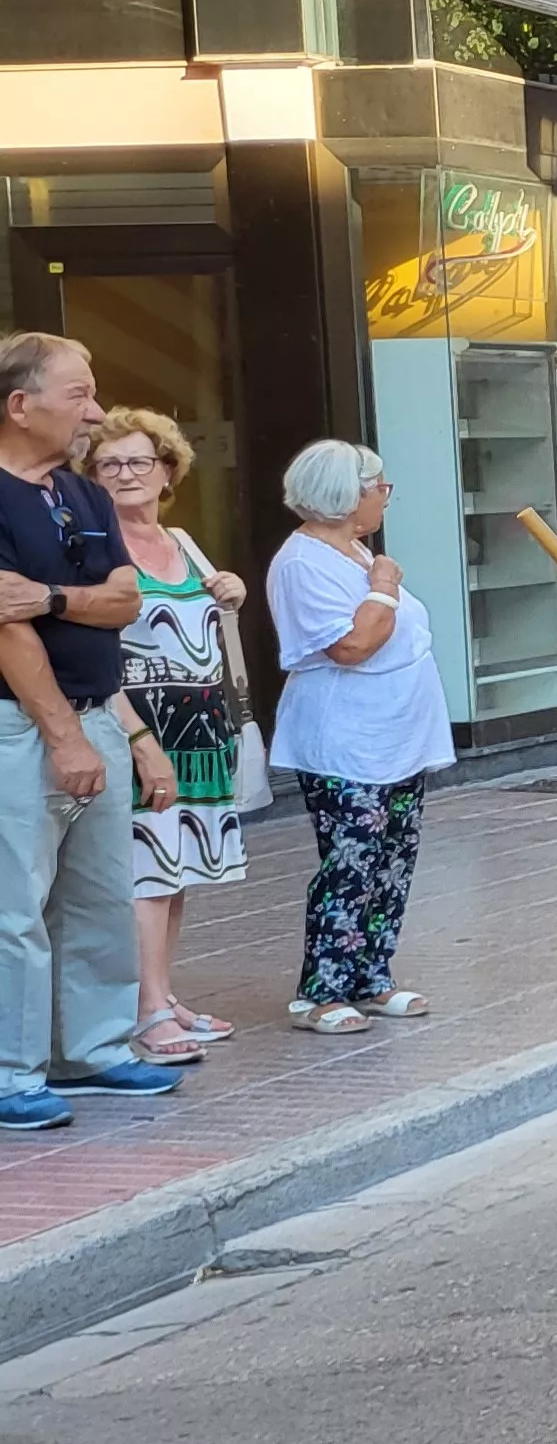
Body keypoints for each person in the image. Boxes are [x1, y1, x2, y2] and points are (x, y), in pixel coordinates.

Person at [0, 332, 177, 1131]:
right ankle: (12, 1073)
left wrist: (51, 598)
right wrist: (63, 736)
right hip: (22, 726)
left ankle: (94, 1049)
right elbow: (5, 631)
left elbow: (124, 599)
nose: (97, 412)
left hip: (100, 712)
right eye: (79, 395)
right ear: (19, 404)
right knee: (15, 906)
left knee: (100, 894)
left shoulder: (83, 494)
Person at [267, 440, 451, 1036]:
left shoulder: (353, 550)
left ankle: (371, 975)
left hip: (396, 738)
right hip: (347, 743)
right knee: (350, 862)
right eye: (379, 487)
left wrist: (377, 579)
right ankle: (321, 991)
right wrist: (382, 586)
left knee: (393, 859)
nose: (385, 497)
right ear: (347, 495)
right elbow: (351, 646)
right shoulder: (304, 562)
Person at [93, 409, 248, 1062]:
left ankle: (162, 993)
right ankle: (146, 1009)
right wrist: (136, 739)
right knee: (146, 874)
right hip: (144, 729)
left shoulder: (183, 541)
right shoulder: (99, 550)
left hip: (201, 731)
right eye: (108, 464)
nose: (125, 474)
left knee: (175, 871)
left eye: (138, 461)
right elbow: (95, 657)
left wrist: (232, 590)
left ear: (167, 471)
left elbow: (206, 621)